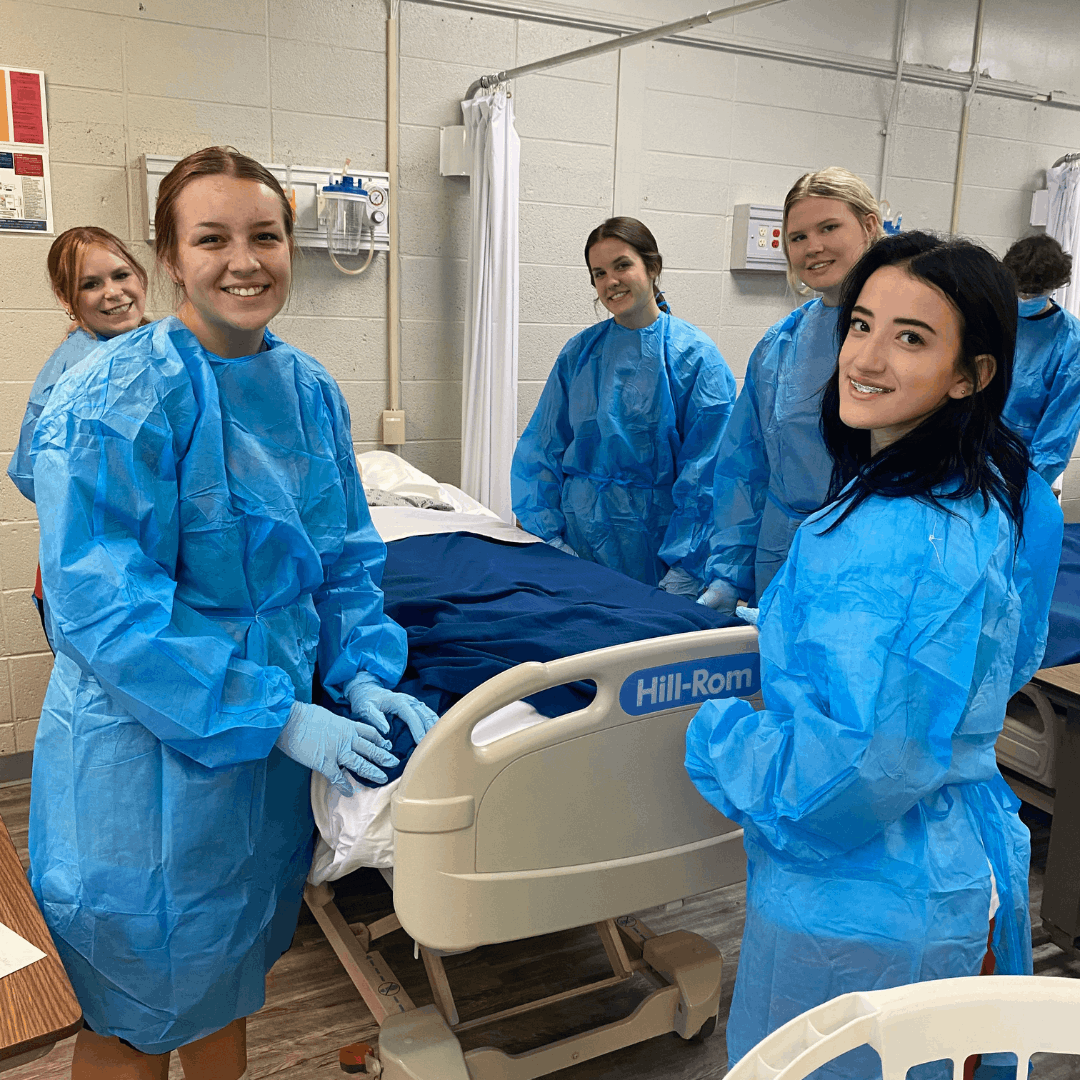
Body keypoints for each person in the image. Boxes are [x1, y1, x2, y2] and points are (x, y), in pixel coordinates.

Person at [27, 147, 438, 1080]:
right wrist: (278, 715)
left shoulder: (309, 391)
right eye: (210, 238)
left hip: (256, 774)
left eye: (265, 236)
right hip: (138, 760)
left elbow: (342, 558)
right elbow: (106, 611)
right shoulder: (114, 396)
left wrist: (365, 670)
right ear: (170, 258)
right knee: (129, 1016)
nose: (242, 260)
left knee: (228, 981)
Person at [685, 232, 1063, 1080]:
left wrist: (723, 740)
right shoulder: (986, 491)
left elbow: (855, 771)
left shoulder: (890, 537)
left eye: (912, 337)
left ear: (973, 374)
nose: (868, 356)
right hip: (950, 866)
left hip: (863, 905)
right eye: (862, 325)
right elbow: (999, 662)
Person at [510, 216, 736, 591]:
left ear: (653, 267)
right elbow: (542, 450)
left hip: (658, 553)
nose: (611, 281)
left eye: (622, 265)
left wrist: (686, 568)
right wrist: (548, 539)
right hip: (576, 547)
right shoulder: (580, 353)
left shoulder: (694, 359)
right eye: (599, 273)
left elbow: (707, 477)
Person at [698, 167, 884, 612]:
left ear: (870, 225)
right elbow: (746, 466)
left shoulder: (910, 341)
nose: (812, 247)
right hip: (784, 555)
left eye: (829, 228)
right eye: (797, 237)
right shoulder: (779, 346)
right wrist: (730, 571)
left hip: (878, 564)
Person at [9, 226, 149, 504]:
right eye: (90, 284)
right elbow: (38, 475)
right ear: (65, 297)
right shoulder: (89, 369)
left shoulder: (149, 346)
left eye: (121, 275)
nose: (113, 292)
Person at [1001, 234, 1080, 488]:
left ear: (1054, 285)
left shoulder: (1070, 341)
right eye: (1020, 289)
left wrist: (1027, 486)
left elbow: (1059, 429)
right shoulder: (997, 316)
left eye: (1033, 292)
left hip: (1022, 462)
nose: (1024, 296)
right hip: (970, 448)